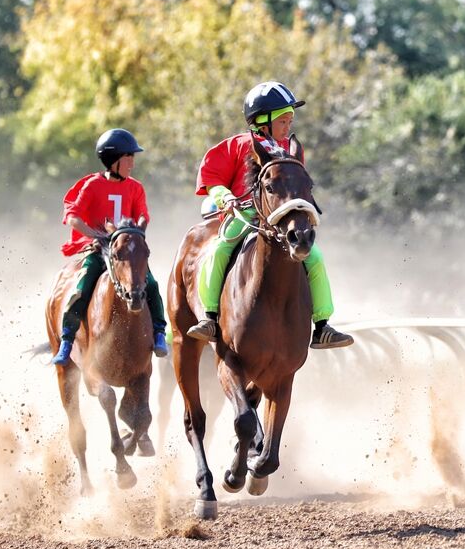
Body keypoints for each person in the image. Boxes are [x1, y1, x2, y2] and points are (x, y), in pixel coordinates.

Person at [186, 81, 352, 350]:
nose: (288, 127)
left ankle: (322, 326)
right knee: (219, 250)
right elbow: (213, 180)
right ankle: (210, 317)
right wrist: (224, 197)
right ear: (262, 122)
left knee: (315, 257)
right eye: (283, 121)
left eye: (290, 121)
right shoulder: (238, 145)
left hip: (281, 220)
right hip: (245, 215)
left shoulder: (290, 150)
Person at [51, 129, 170, 365]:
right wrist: (95, 236)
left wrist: (138, 229)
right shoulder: (92, 186)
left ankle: (159, 332)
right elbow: (73, 217)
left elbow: (143, 215)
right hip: (99, 249)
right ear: (113, 160)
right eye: (128, 157)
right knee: (82, 287)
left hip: (125, 252)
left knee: (151, 284)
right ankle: (67, 339)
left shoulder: (136, 187)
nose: (132, 163)